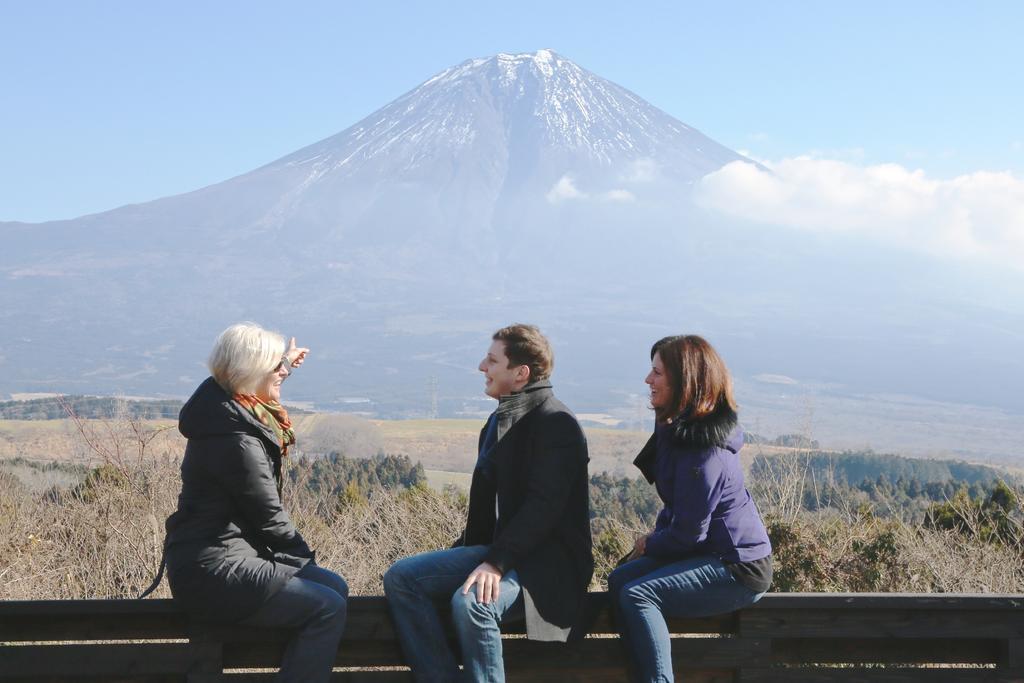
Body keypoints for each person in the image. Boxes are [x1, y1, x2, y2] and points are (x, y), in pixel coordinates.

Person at [383, 324, 593, 683]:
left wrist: (494, 564)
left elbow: (543, 509)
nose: (482, 366)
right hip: (504, 554)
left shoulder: (556, 424)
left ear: (520, 373)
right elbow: (483, 513)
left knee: (473, 603)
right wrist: (474, 555)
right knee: (403, 578)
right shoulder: (499, 420)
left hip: (548, 566)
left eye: (493, 360)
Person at [163, 323, 348, 683]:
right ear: (248, 373)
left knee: (334, 586)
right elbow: (268, 517)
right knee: (328, 605)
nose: (281, 371)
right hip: (213, 570)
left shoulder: (221, 406)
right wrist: (303, 561)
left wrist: (284, 362)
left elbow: (241, 380)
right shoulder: (236, 441)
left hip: (223, 557)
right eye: (273, 366)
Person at [608, 335, 772, 683]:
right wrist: (653, 539)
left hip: (737, 566)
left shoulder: (704, 450)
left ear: (685, 382)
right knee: (620, 579)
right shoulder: (675, 429)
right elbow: (677, 507)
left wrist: (651, 544)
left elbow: (688, 531)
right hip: (707, 552)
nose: (647, 380)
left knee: (639, 595)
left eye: (656, 373)